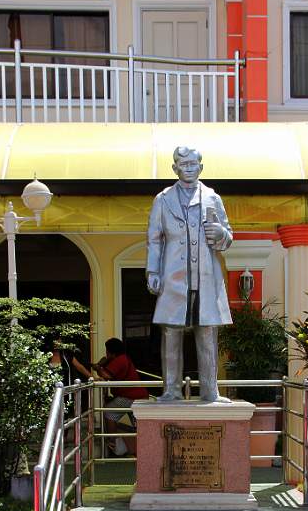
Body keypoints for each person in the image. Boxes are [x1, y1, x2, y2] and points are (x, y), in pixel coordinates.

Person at [146, 145, 232, 403]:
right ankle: (171, 390)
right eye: (184, 165)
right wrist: (153, 270)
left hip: (205, 277)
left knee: (207, 332)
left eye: (193, 164)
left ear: (201, 167)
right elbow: (154, 239)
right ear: (175, 168)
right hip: (174, 276)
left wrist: (221, 234)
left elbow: (227, 236)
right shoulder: (163, 200)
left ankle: (210, 391)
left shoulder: (212, 198)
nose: (189, 169)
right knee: (171, 332)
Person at [92, 338, 148, 456]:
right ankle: (141, 451)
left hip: (130, 397)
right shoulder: (124, 359)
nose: (106, 354)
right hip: (138, 396)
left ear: (112, 352)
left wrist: (98, 368)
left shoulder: (119, 360)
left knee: (109, 412)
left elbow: (107, 375)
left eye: (107, 351)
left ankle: (113, 443)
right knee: (137, 426)